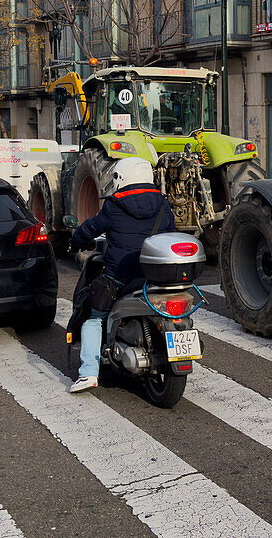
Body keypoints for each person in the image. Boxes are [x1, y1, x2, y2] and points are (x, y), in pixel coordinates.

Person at [66, 156, 175, 393]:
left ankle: (88, 373)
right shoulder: (163, 204)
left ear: (121, 178)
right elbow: (170, 234)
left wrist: (75, 242)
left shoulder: (115, 205)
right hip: (155, 277)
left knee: (94, 317)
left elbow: (90, 228)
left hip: (120, 277)